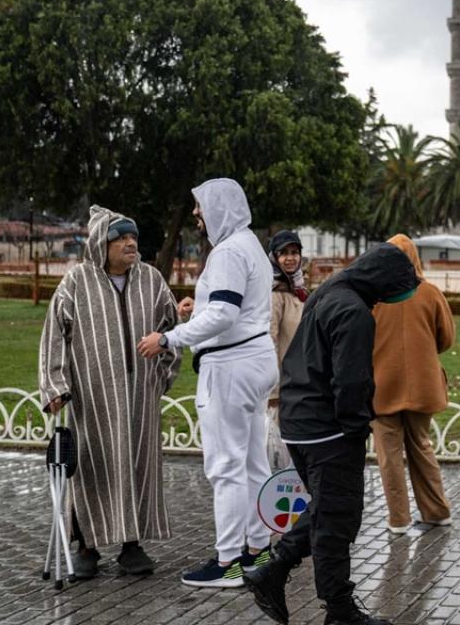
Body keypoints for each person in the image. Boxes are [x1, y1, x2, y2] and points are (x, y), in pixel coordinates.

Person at [243, 243, 419, 625]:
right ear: (383, 282)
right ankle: (338, 611)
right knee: (336, 518)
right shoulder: (355, 312)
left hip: (300, 422)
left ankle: (274, 570)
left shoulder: (329, 292)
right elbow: (351, 381)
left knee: (328, 510)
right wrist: (356, 429)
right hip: (329, 432)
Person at [137, 178, 278, 587]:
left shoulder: (229, 251)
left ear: (219, 206)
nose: (196, 214)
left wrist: (168, 338)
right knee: (251, 462)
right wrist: (197, 309)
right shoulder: (248, 243)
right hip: (254, 361)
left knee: (225, 467)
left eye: (200, 206)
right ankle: (257, 550)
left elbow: (225, 316)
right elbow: (231, 307)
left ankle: (228, 561)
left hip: (232, 368)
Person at [38, 206, 181, 579]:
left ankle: (132, 546)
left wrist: (161, 376)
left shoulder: (151, 279)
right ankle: (87, 548)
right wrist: (55, 386)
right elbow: (54, 336)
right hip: (91, 400)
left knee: (137, 468)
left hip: (139, 401)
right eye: (121, 238)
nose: (131, 243)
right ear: (103, 243)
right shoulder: (76, 283)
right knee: (91, 470)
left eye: (132, 236)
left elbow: (174, 329)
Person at [370, 235, 456, 534]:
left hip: (381, 385)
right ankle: (437, 511)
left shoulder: (374, 296)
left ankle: (399, 520)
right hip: (423, 384)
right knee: (422, 447)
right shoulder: (430, 293)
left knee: (389, 457)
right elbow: (446, 338)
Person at [268, 229, 308, 471]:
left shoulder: (298, 290)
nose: (291, 258)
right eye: (284, 254)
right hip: (282, 386)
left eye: (295, 252)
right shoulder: (275, 293)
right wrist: (273, 389)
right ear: (274, 257)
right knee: (279, 451)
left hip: (300, 380)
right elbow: (269, 340)